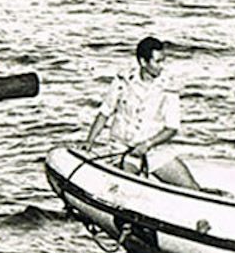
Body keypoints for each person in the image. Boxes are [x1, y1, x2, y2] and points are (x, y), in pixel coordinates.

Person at [84, 35, 204, 190]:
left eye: (163, 61)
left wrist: (147, 145)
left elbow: (172, 128)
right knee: (126, 188)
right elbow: (104, 113)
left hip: (154, 149)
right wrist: (89, 142)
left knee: (191, 187)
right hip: (123, 150)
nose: (162, 66)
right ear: (143, 62)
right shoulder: (123, 81)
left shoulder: (168, 87)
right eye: (157, 61)